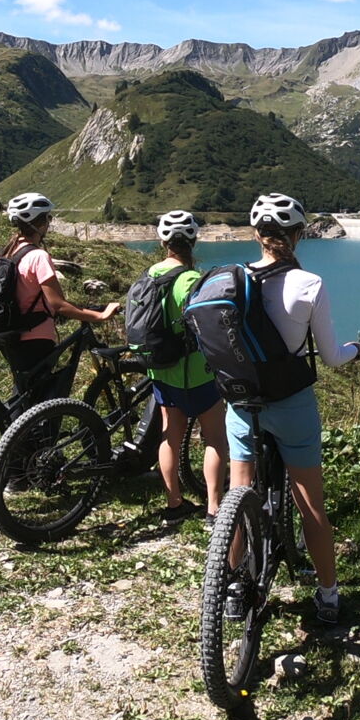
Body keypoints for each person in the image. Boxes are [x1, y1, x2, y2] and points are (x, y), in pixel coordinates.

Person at [227, 192, 360, 625]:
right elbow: (329, 356)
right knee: (311, 507)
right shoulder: (310, 284)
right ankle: (327, 596)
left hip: (241, 403)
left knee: (239, 494)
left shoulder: (233, 278)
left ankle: (231, 586)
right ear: (299, 234)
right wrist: (357, 349)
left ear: (257, 235)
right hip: (290, 406)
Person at [143, 210, 227, 523]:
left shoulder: (150, 274)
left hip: (161, 370)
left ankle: (174, 504)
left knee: (170, 436)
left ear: (163, 241)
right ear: (193, 241)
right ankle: (214, 509)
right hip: (194, 372)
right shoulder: (189, 280)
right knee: (215, 438)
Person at [0, 192, 118, 405]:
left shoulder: (8, 252)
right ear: (41, 222)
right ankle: (25, 437)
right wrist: (99, 316)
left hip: (11, 334)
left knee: (25, 396)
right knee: (38, 401)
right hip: (35, 337)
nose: (49, 223)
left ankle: (15, 435)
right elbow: (58, 304)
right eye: (48, 218)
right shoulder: (38, 256)